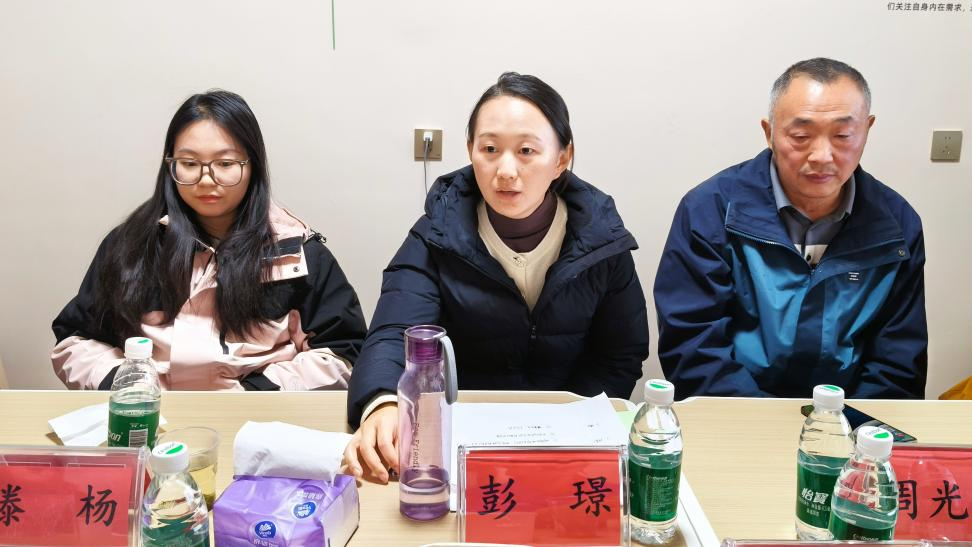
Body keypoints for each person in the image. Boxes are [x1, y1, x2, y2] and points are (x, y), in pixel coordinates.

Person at [344, 72, 650, 482]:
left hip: (570, 439)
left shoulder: (602, 240)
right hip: (464, 439)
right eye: (489, 149)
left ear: (562, 158)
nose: (506, 170)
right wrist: (383, 402)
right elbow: (394, 332)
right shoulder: (437, 235)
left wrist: (576, 423)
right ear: (470, 151)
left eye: (526, 151)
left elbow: (619, 354)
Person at [52, 90, 366, 391]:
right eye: (189, 164)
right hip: (148, 416)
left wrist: (256, 393)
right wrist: (128, 385)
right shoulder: (130, 245)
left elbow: (343, 353)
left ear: (252, 166)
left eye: (225, 164)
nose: (206, 180)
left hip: (254, 417)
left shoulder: (297, 252)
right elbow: (75, 342)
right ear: (170, 165)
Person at [654, 58, 927, 400]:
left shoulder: (897, 224)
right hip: (734, 413)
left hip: (850, 420)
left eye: (843, 135)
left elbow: (897, 363)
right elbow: (694, 348)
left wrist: (840, 424)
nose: (822, 155)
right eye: (801, 136)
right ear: (769, 133)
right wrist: (769, 424)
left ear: (867, 130)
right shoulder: (710, 211)